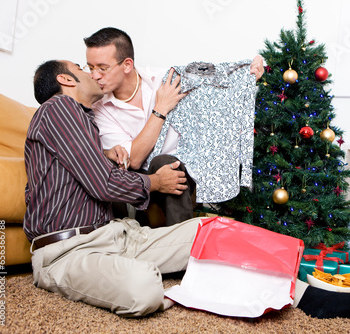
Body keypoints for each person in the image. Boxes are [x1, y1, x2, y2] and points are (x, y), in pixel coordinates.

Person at [25, 59, 350, 319]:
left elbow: (82, 172)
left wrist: (104, 153)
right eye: (83, 68)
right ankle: (199, 291)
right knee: (144, 290)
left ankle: (312, 297)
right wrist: (155, 182)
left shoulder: (82, 122)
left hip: (121, 236)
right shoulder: (59, 108)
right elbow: (103, 184)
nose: (92, 73)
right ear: (65, 80)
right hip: (66, 252)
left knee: (213, 229)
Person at [83, 27, 264, 226]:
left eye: (102, 68)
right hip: (141, 181)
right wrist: (160, 110)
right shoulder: (99, 110)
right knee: (161, 163)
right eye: (90, 68)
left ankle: (180, 245)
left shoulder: (165, 79)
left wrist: (250, 71)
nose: (94, 75)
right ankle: (179, 245)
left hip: (185, 173)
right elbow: (133, 160)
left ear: (127, 65)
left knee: (167, 162)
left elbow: (215, 79)